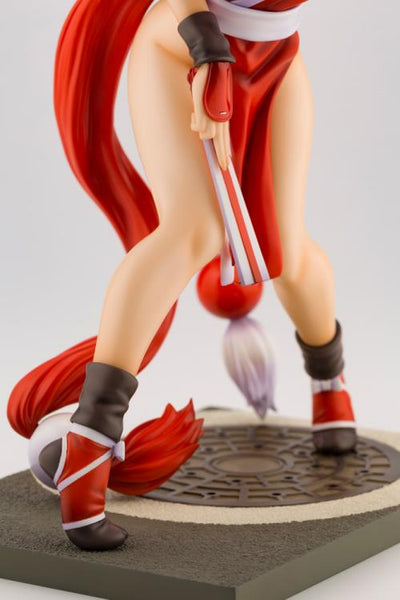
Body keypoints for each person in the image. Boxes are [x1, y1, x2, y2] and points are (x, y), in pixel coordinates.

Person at [7, 0, 356, 551]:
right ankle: (89, 443)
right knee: (192, 232)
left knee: (287, 252)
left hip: (276, 58)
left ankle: (330, 383)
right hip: (183, 47)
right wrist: (206, 49)